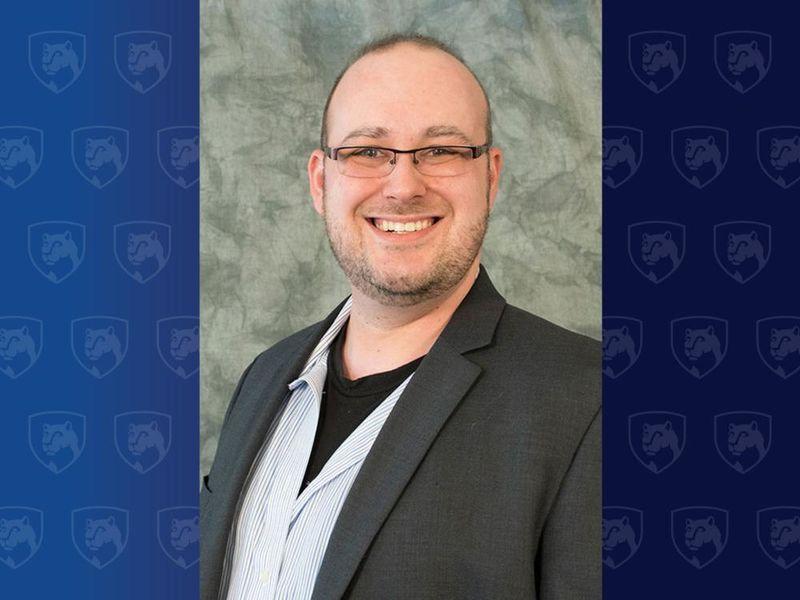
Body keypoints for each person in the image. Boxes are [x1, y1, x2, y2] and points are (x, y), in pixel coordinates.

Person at [201, 33, 600, 600]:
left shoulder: (586, 401)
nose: (404, 185)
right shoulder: (264, 378)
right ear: (321, 181)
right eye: (368, 151)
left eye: (442, 151)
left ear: (490, 177)